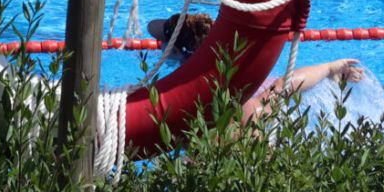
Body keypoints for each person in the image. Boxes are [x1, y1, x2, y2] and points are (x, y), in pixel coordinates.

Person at [147, 12, 365, 123]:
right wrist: (329, 68)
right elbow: (284, 85)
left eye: (163, 44)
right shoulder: (241, 88)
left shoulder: (197, 104)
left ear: (177, 53)